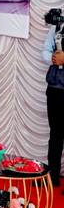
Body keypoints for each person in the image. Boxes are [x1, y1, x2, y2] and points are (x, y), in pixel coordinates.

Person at [42, 18, 64, 187]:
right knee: (55, 134)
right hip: (56, 87)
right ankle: (52, 176)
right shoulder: (58, 24)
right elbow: (45, 50)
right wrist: (53, 58)